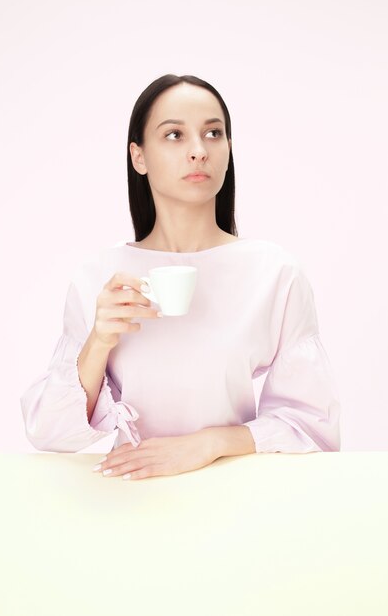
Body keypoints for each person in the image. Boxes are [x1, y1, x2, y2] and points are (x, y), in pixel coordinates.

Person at [20, 73, 341, 480]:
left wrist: (208, 444)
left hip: (238, 500)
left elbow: (315, 428)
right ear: (139, 156)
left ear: (228, 148)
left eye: (213, 133)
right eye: (174, 135)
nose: (198, 151)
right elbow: (50, 433)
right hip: (128, 504)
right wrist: (99, 341)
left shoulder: (274, 272)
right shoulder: (98, 277)